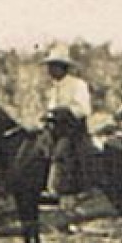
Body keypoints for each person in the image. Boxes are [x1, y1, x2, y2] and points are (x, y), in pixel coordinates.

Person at [40, 46, 93, 200]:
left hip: (73, 130)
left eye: (53, 66)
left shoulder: (78, 85)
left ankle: (61, 189)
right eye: (49, 66)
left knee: (61, 152)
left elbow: (83, 109)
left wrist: (63, 111)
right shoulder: (54, 88)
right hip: (55, 130)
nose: (50, 70)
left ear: (62, 67)